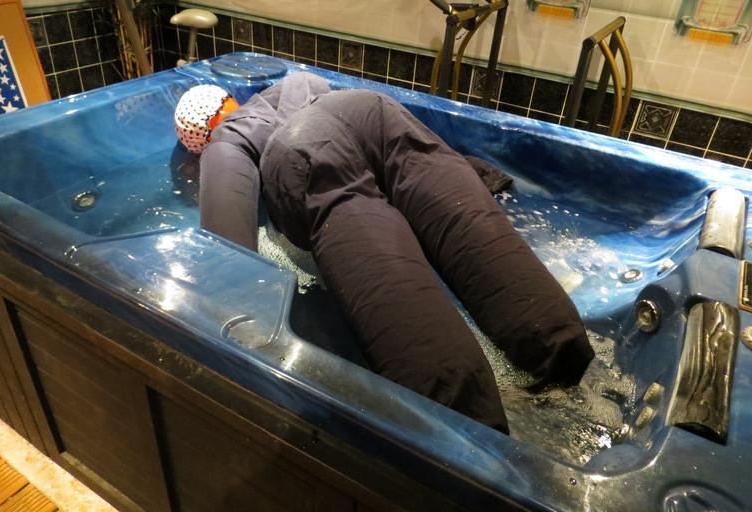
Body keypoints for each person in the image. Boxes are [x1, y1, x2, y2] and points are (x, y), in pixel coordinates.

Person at [174, 72, 594, 434]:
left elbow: (229, 254)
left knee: (409, 314)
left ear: (202, 135)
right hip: (375, 112)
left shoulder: (226, 140)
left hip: (305, 151)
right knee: (472, 231)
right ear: (229, 99)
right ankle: (567, 358)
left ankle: (474, 439)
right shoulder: (294, 82)